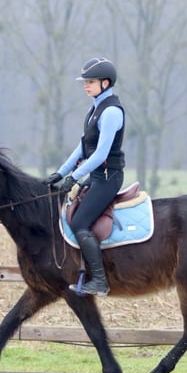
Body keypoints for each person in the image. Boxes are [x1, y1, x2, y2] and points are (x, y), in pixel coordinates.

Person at [45, 57, 126, 297]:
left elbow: (101, 154)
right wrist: (61, 172)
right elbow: (82, 148)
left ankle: (99, 281)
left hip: (108, 177)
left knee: (80, 222)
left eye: (90, 81)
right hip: (96, 176)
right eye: (85, 81)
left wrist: (75, 177)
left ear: (105, 82)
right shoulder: (94, 109)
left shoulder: (111, 112)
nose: (85, 85)